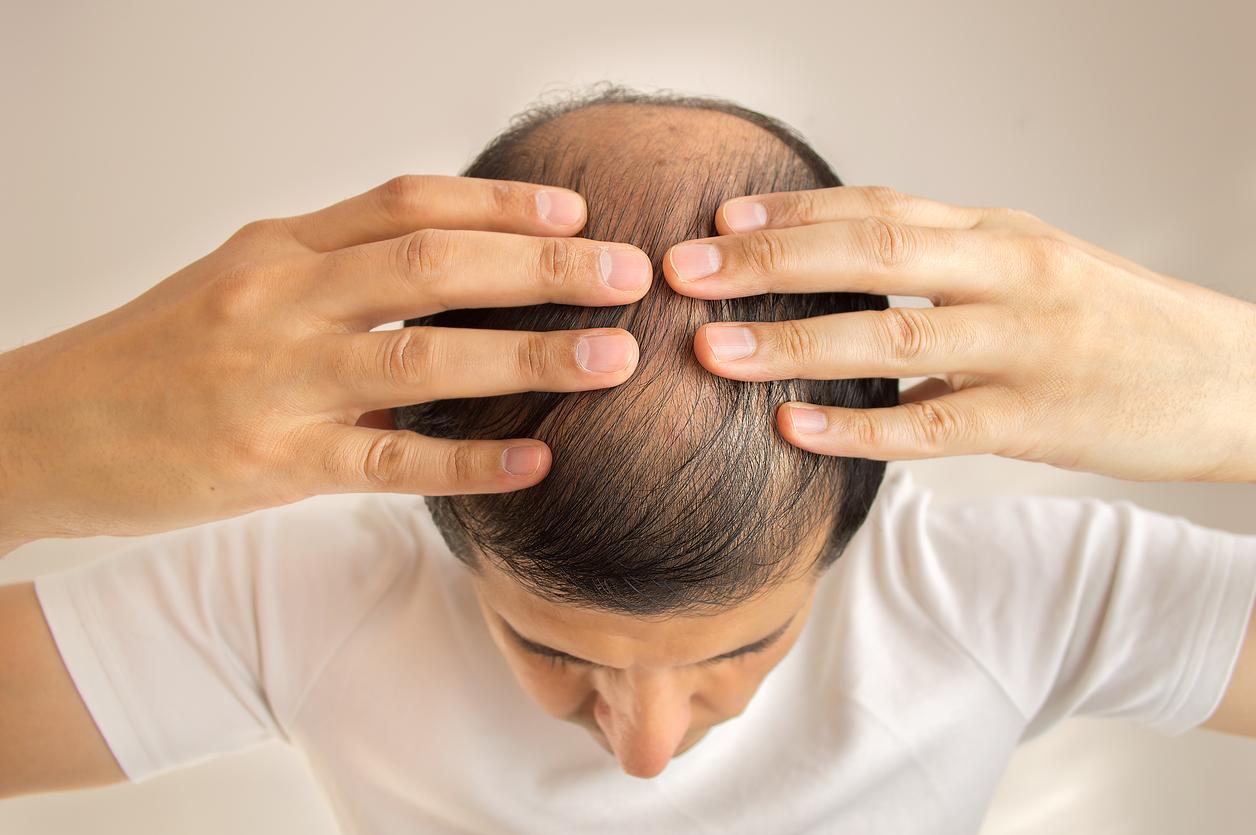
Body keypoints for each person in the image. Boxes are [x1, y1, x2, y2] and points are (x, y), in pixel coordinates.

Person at [0, 86, 1253, 834]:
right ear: (440, 521)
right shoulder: (305, 597)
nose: (645, 747)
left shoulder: (1011, 597)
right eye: (550, 647)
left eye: (741, 649)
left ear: (856, 529)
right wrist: (22, 438)